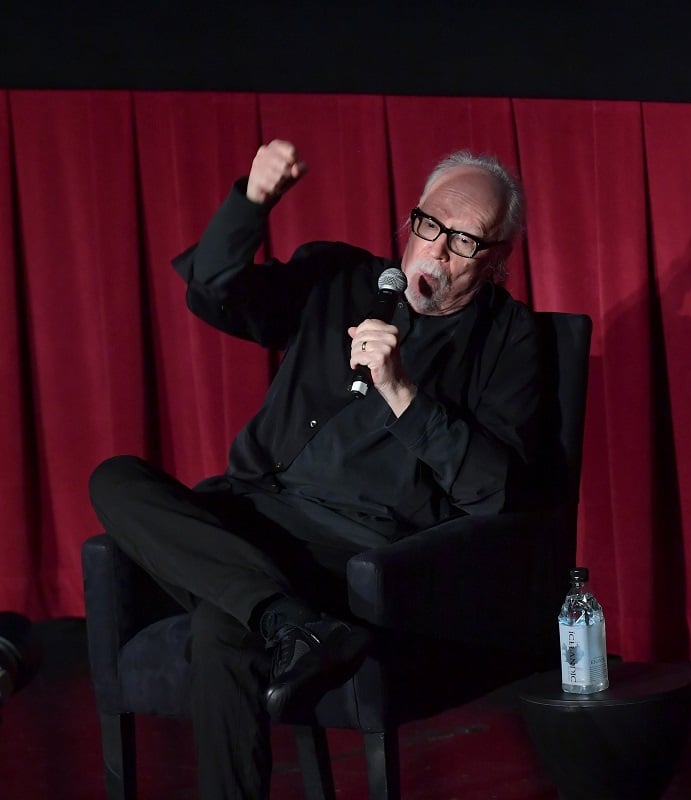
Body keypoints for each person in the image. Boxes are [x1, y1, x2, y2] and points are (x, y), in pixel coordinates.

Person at [89, 140, 543, 799]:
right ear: (410, 221)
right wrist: (252, 200)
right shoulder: (339, 278)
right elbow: (212, 292)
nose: (436, 253)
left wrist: (402, 394)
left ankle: (275, 612)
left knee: (225, 620)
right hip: (250, 510)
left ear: (498, 259)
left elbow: (491, 491)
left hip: (351, 547)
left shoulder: (511, 342)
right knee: (115, 478)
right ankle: (285, 619)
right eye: (428, 227)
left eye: (463, 242)